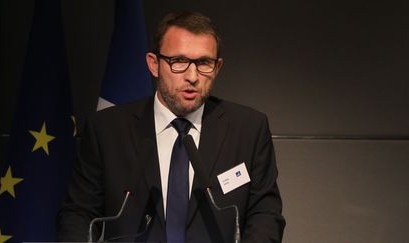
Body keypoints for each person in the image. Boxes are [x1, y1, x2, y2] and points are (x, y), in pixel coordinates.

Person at [57, 11, 285, 243]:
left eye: (204, 63)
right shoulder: (106, 130)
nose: (192, 76)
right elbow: (79, 213)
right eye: (179, 62)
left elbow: (265, 213)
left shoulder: (248, 129)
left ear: (217, 67)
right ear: (154, 64)